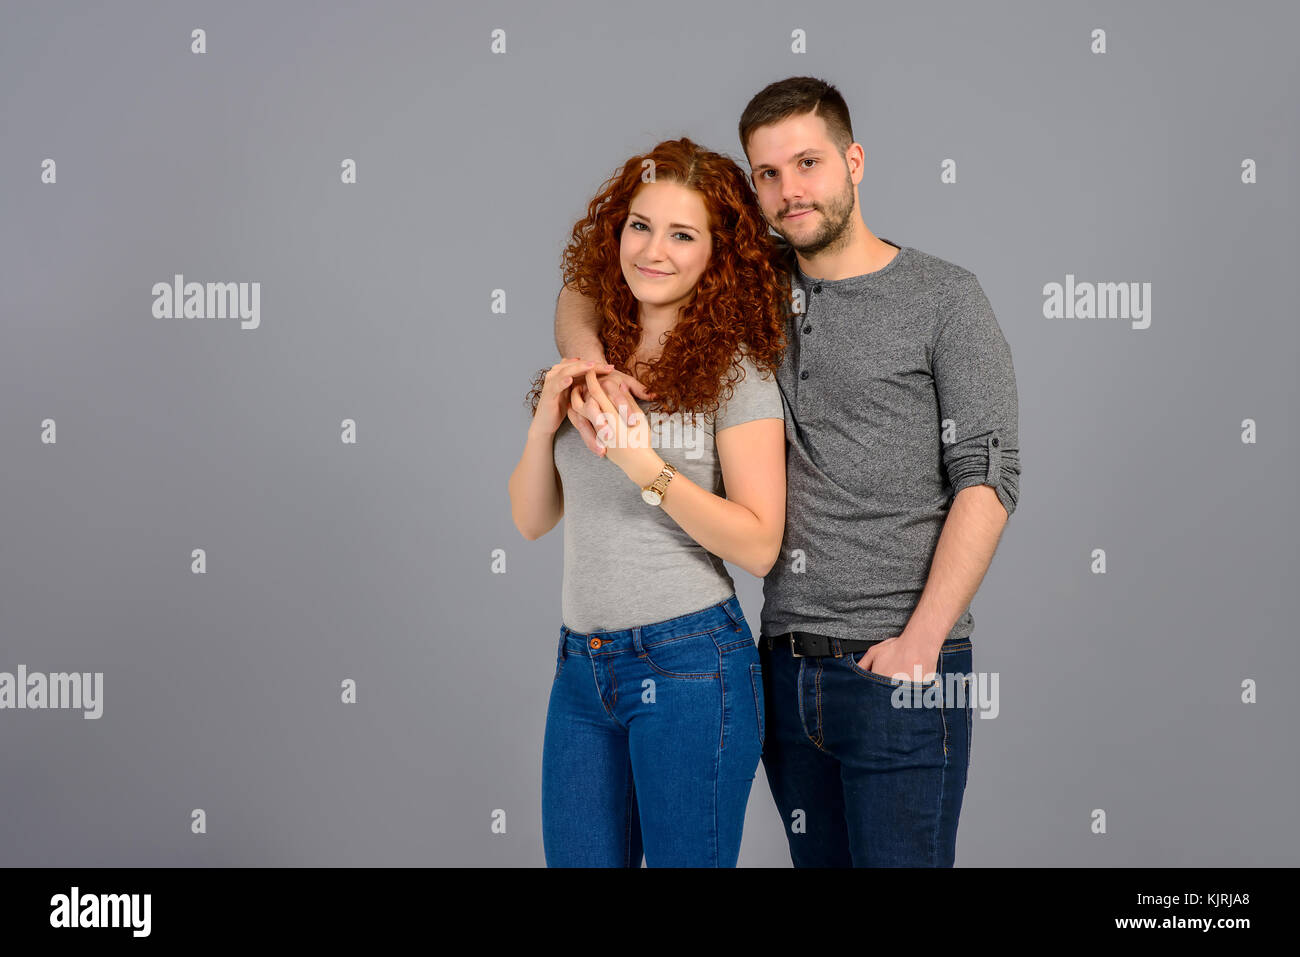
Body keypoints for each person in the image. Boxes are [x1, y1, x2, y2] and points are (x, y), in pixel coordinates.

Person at [556, 76, 1022, 867]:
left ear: (855, 161)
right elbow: (590, 283)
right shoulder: (754, 282)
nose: (788, 191)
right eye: (766, 173)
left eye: (807, 164)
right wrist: (593, 369)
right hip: (784, 665)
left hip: (900, 664)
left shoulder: (945, 299)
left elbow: (989, 476)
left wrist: (924, 638)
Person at [507, 137, 792, 867]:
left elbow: (761, 543)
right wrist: (545, 423)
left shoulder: (738, 375)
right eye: (640, 225)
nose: (653, 249)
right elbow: (532, 520)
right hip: (581, 669)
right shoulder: (594, 356)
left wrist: (648, 468)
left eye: (682, 233)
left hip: (690, 664)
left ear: (716, 255)